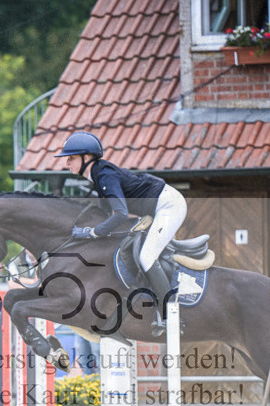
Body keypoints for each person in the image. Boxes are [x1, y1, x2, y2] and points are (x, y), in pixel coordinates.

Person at [56, 131, 187, 334]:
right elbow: (106, 213)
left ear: (86, 157)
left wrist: (92, 232)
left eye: (71, 158)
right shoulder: (98, 175)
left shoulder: (104, 175)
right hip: (156, 207)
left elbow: (120, 214)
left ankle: (169, 314)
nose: (67, 163)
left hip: (169, 206)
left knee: (146, 257)